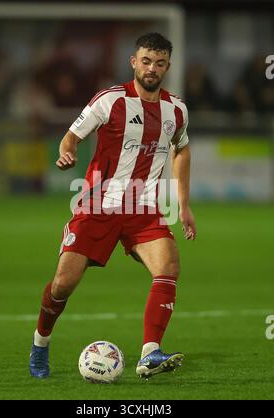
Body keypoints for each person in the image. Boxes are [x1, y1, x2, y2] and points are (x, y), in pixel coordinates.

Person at [29, 32, 196, 379]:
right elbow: (72, 135)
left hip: (145, 208)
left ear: (167, 66)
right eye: (146, 61)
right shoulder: (110, 100)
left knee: (169, 266)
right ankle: (40, 344)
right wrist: (67, 150)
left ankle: (150, 352)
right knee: (62, 284)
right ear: (133, 62)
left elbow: (181, 148)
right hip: (98, 206)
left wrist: (183, 204)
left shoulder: (176, 109)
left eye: (160, 63)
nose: (152, 68)